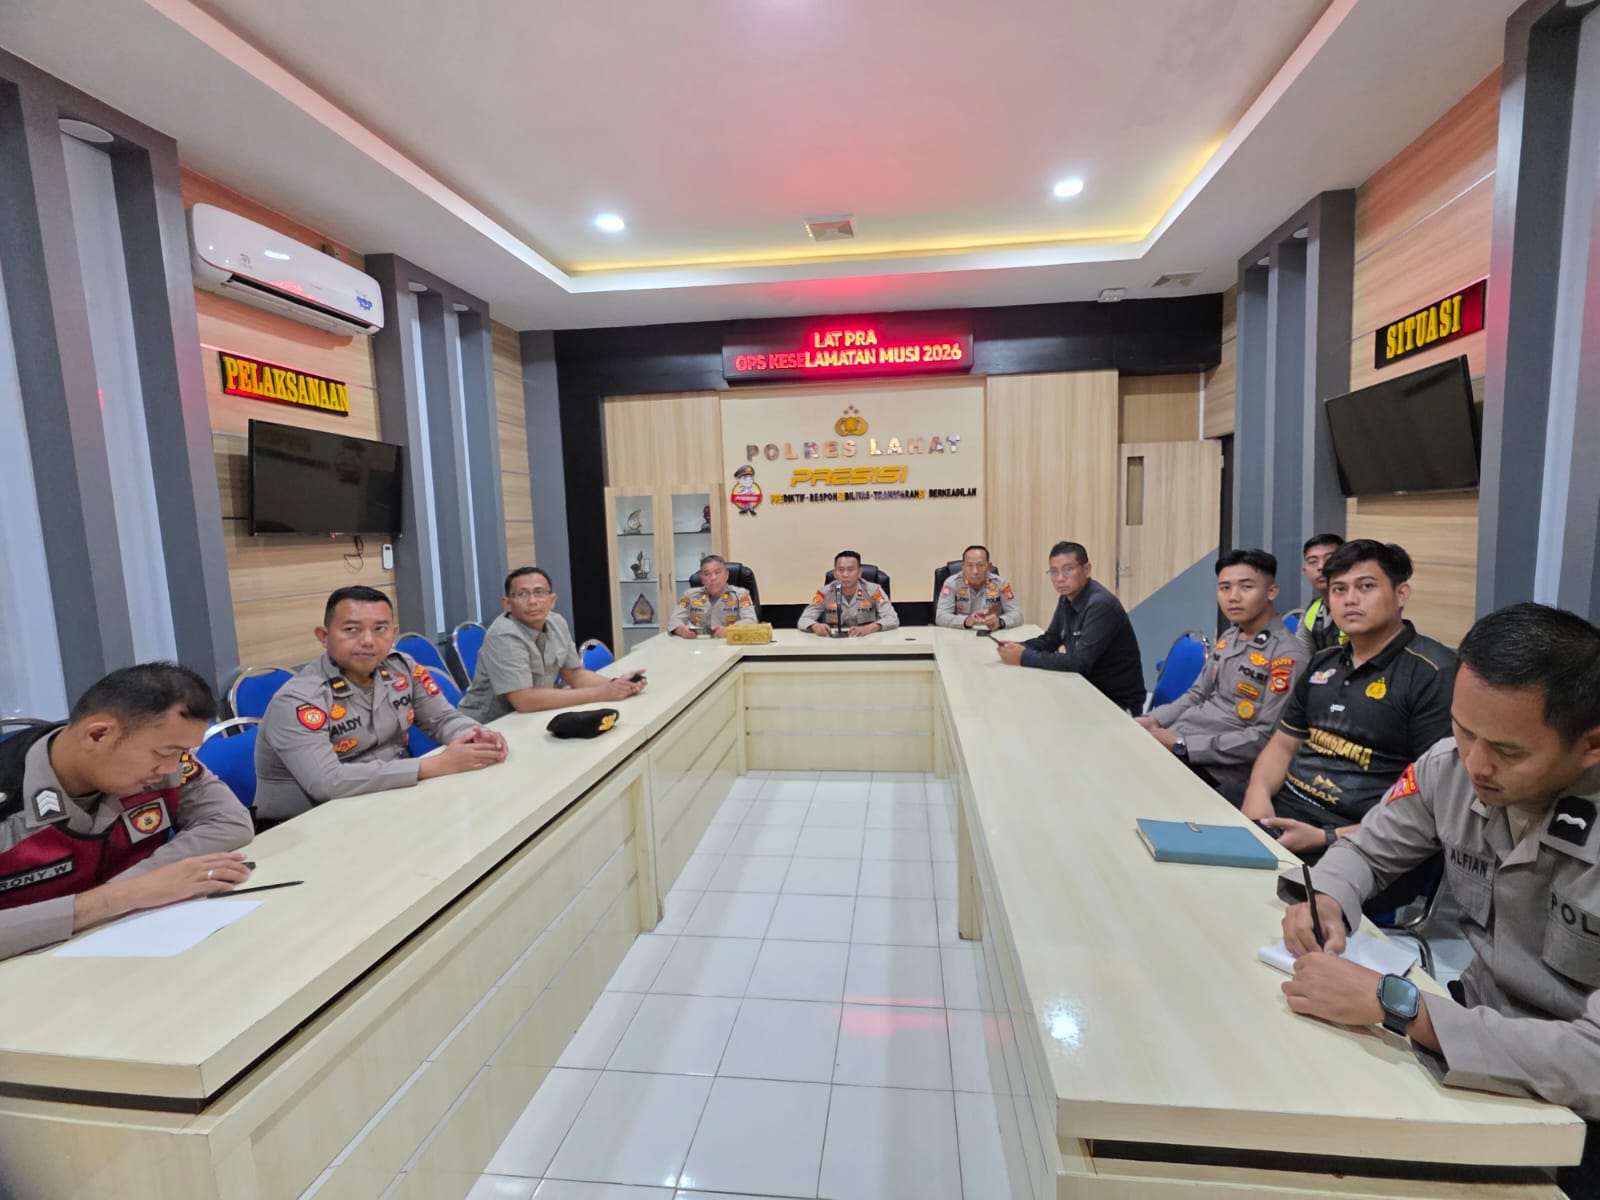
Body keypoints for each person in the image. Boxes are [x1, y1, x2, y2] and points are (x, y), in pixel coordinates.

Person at [1279, 603, 1600, 1193]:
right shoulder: (1447, 768)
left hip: (1573, 1100)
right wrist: (1328, 899)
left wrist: (1402, 1007)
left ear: (1591, 745)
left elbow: (1593, 1062)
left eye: (1507, 750)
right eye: (1463, 730)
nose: (1476, 764)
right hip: (1465, 1028)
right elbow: (1366, 851)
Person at [0, 662, 254, 959]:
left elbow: (229, 821)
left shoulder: (161, 764)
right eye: (162, 753)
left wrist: (136, 886)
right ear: (97, 735)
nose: (171, 767)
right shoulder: (10, 796)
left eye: (182, 753)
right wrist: (120, 896)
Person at [1242, 540, 1454, 857]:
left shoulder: (1433, 673)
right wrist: (1257, 796)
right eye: (1339, 589)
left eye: (1366, 586)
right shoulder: (1323, 661)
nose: (1350, 599)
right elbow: (1284, 744)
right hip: (1286, 811)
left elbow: (1435, 799)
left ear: (1401, 594)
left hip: (1362, 839)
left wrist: (1327, 837)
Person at [255, 586, 507, 824]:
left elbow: (441, 719)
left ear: (393, 633)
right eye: (351, 629)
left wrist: (477, 735)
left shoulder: (402, 667)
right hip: (311, 824)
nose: (368, 640)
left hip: (389, 802)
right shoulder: (298, 700)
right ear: (324, 636)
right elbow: (327, 782)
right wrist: (434, 765)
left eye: (380, 629)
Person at [1137, 549, 1305, 804]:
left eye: (1246, 587)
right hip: (1182, 738)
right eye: (1225, 588)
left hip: (1220, 765)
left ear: (1271, 591)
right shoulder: (1230, 637)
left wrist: (1184, 745)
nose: (1233, 597)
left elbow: (1265, 738)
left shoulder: (1287, 655)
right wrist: (1153, 720)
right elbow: (1197, 694)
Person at [459, 567, 646, 721]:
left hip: (532, 716)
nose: (532, 601)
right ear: (507, 604)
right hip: (488, 725)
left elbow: (575, 675)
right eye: (522, 594)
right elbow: (524, 700)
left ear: (552, 600)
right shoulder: (504, 635)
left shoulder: (557, 622)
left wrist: (618, 684)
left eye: (539, 593)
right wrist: (603, 693)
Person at [996, 541, 1145, 714]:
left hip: (1115, 702)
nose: (1060, 578)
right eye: (1054, 572)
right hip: (1086, 688)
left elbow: (1079, 663)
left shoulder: (1101, 605)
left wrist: (1024, 657)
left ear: (1086, 570)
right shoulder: (1067, 598)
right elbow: (1051, 639)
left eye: (1068, 569)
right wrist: (1019, 647)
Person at [799, 551, 899, 638]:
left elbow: (892, 618)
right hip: (834, 643)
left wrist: (869, 628)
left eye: (850, 570)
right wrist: (815, 626)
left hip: (867, 640)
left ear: (859, 572)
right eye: (841, 570)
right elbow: (804, 619)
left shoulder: (874, 591)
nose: (845, 575)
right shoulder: (824, 593)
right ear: (835, 573)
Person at [935, 544, 1023, 631]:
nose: (975, 571)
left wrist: (1000, 622)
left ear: (989, 566)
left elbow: (1017, 615)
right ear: (963, 567)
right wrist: (966, 621)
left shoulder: (1000, 583)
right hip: (961, 633)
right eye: (970, 565)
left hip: (992, 632)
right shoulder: (952, 583)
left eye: (980, 565)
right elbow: (941, 617)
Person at [669, 554, 756, 638]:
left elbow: (751, 621)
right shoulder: (689, 595)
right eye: (707, 574)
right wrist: (682, 630)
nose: (713, 578)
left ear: (726, 575)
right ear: (702, 579)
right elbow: (674, 620)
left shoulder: (741, 594)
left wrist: (728, 630)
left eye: (718, 572)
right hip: (699, 644)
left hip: (729, 643)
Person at [1297, 533, 1346, 655]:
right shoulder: (1312, 611)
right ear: (1305, 571)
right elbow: (1301, 657)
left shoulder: (1360, 605)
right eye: (1313, 561)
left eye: (1329, 559)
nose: (1321, 567)